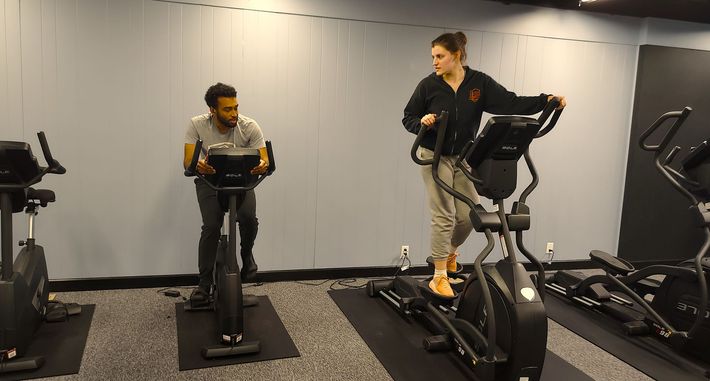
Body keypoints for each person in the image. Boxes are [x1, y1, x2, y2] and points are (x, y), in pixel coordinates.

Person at [402, 32, 566, 298]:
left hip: (463, 157)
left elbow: (511, 101)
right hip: (434, 155)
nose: (434, 62)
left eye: (439, 56)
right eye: (433, 56)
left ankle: (448, 255)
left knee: (469, 215)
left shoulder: (479, 83)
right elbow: (408, 117)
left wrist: (545, 100)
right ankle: (439, 276)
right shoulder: (428, 86)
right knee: (443, 214)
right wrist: (423, 122)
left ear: (456, 56)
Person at [183, 82, 269, 304]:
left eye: (236, 107)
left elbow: (264, 159)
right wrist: (198, 166)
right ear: (212, 110)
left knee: (248, 218)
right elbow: (188, 160)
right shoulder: (197, 125)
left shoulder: (249, 126)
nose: (234, 114)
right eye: (227, 109)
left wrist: (262, 165)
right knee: (211, 226)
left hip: (242, 180)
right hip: (210, 180)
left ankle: (246, 254)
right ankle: (203, 284)